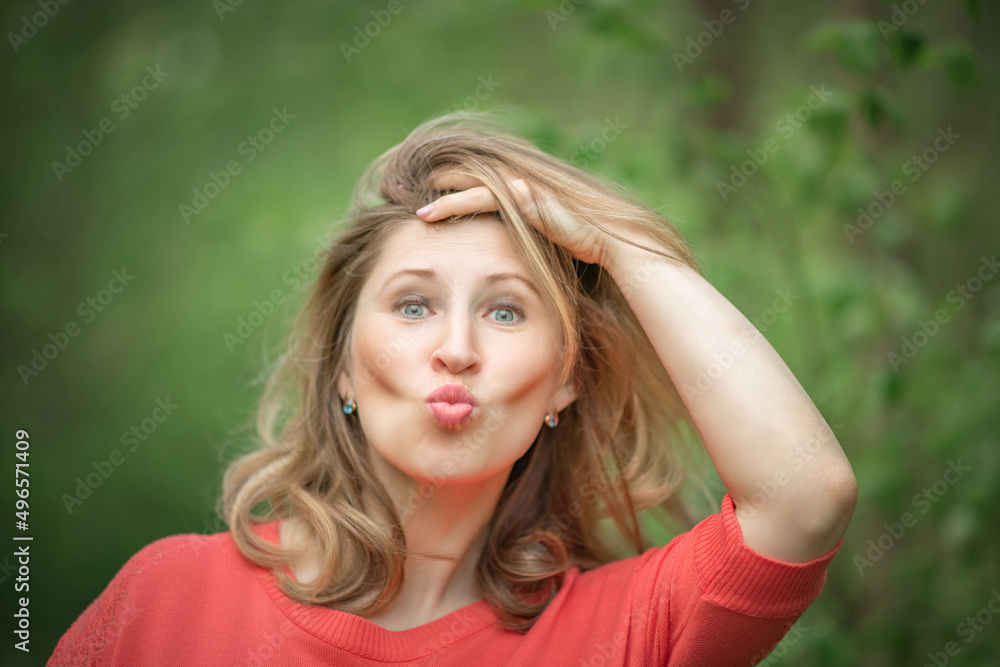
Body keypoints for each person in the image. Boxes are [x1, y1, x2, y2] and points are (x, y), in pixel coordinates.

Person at [49, 111, 857, 666]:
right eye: (413, 304)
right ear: (342, 365)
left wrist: (619, 246)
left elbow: (807, 495)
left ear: (565, 381)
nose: (458, 349)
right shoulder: (168, 599)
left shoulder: (621, 631)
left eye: (507, 311)